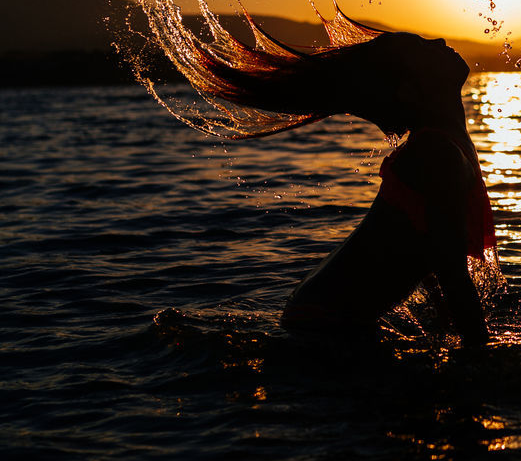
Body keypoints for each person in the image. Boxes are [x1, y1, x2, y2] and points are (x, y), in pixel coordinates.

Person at [201, 31, 494, 347]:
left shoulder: (442, 144)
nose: (438, 43)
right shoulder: (438, 152)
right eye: (423, 49)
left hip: (321, 313)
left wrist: (444, 323)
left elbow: (431, 246)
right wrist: (481, 355)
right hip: (325, 320)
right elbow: (452, 273)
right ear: (410, 91)